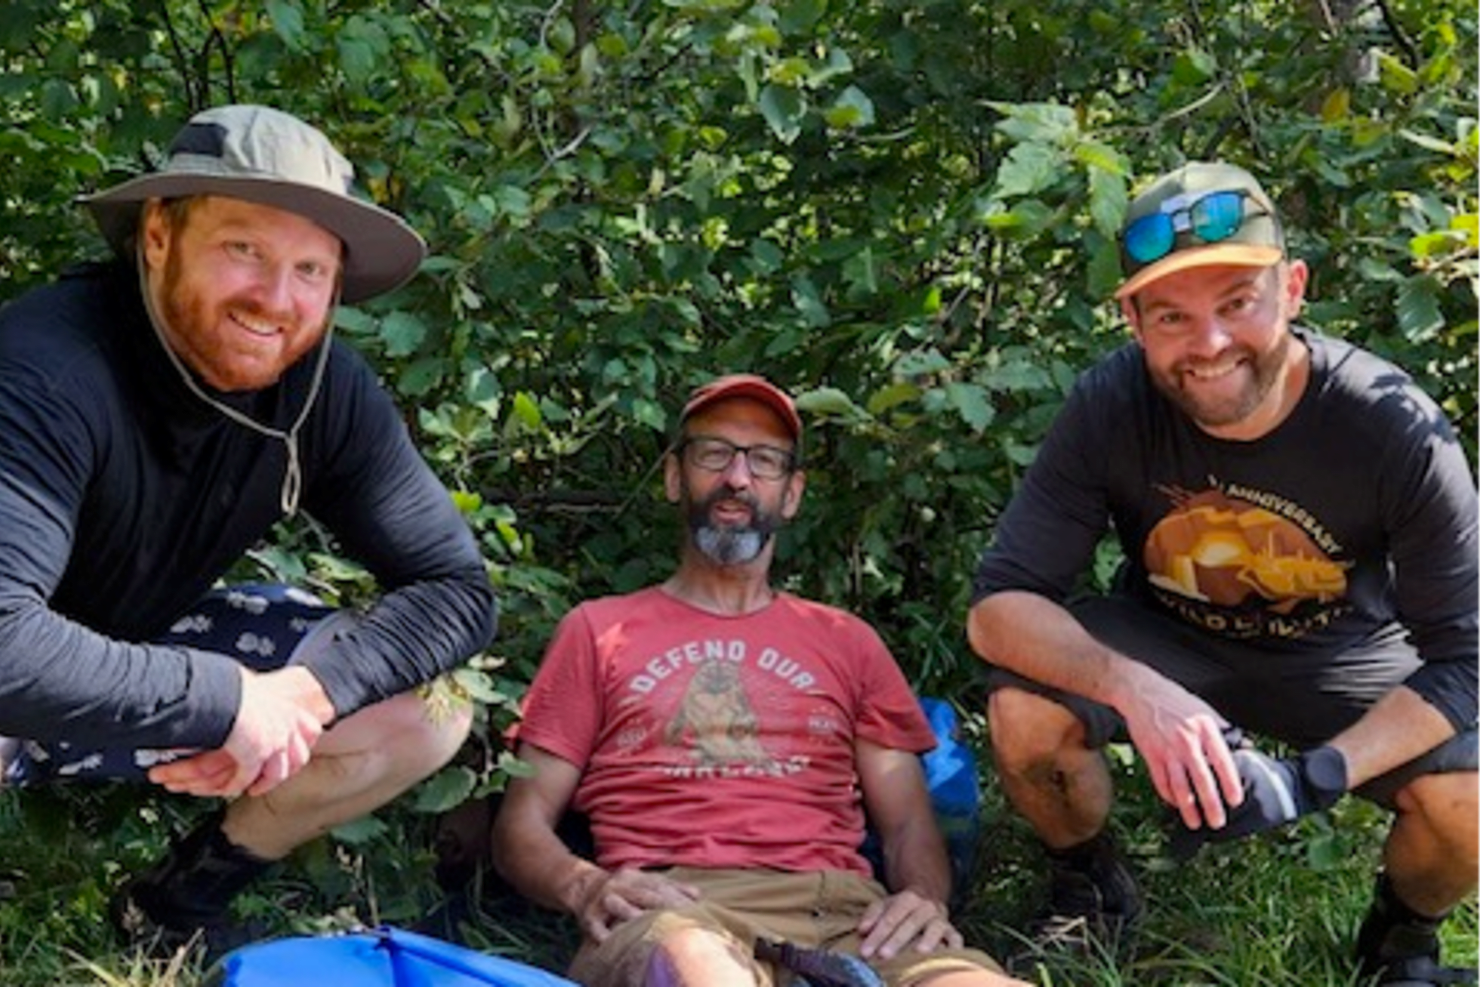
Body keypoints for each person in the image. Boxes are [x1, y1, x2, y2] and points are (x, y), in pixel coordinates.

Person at [965, 160, 1480, 984]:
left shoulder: (1393, 426)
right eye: (1172, 314)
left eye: (1237, 303)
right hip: (1168, 633)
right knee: (1024, 707)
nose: (1208, 344)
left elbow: (1470, 658)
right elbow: (1000, 607)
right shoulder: (1110, 403)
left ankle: (1400, 941)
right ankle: (1089, 881)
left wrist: (1313, 779)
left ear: (1294, 288)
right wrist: (1133, 686)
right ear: (1132, 318)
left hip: (1339, 649)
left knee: (1473, 796)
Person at [0, 104, 497, 955]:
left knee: (427, 708)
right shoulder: (44, 369)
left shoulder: (320, 389)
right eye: (245, 251)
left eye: (310, 269)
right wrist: (227, 699)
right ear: (158, 234)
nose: (276, 299)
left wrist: (302, 697)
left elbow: (457, 590)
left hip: (138, 648)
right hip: (21, 669)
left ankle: (170, 907)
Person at [491, 374, 1023, 987]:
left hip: (848, 915)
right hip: (677, 909)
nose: (738, 478)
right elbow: (520, 826)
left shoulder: (846, 640)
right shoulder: (597, 631)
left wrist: (923, 899)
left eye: (764, 461)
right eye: (714, 453)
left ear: (791, 494)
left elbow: (907, 823)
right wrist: (585, 886)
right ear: (674, 476)